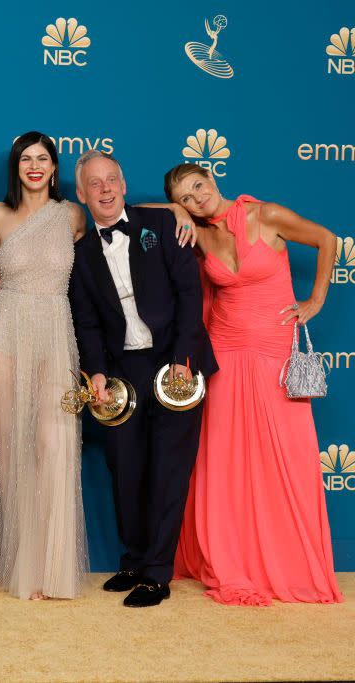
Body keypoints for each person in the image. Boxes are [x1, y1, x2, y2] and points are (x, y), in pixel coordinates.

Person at [163, 163, 343, 605]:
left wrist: (315, 300)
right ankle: (231, 558)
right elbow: (136, 210)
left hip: (274, 350)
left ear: (214, 179)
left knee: (285, 455)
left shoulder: (266, 216)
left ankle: (284, 561)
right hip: (224, 351)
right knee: (223, 457)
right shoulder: (200, 235)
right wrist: (174, 210)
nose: (196, 198)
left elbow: (327, 239)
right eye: (186, 196)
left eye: (198, 187)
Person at [68, 150, 216, 608]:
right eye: (95, 183)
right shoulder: (82, 253)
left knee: (169, 471)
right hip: (121, 373)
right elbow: (87, 322)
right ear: (81, 193)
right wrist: (95, 371)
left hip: (176, 363)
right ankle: (132, 560)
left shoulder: (163, 225)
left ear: (125, 184)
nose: (106, 189)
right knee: (125, 468)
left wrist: (184, 358)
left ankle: (157, 572)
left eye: (112, 179)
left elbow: (191, 294)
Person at [0, 132, 88, 600]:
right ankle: (17, 563)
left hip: (56, 331)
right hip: (4, 333)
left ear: (55, 168)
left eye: (43, 159)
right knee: (8, 446)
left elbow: (108, 241)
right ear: (16, 167)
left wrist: (173, 209)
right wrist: (4, 289)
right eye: (25, 159)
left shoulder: (72, 214)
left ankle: (49, 566)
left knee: (52, 446)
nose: (34, 166)